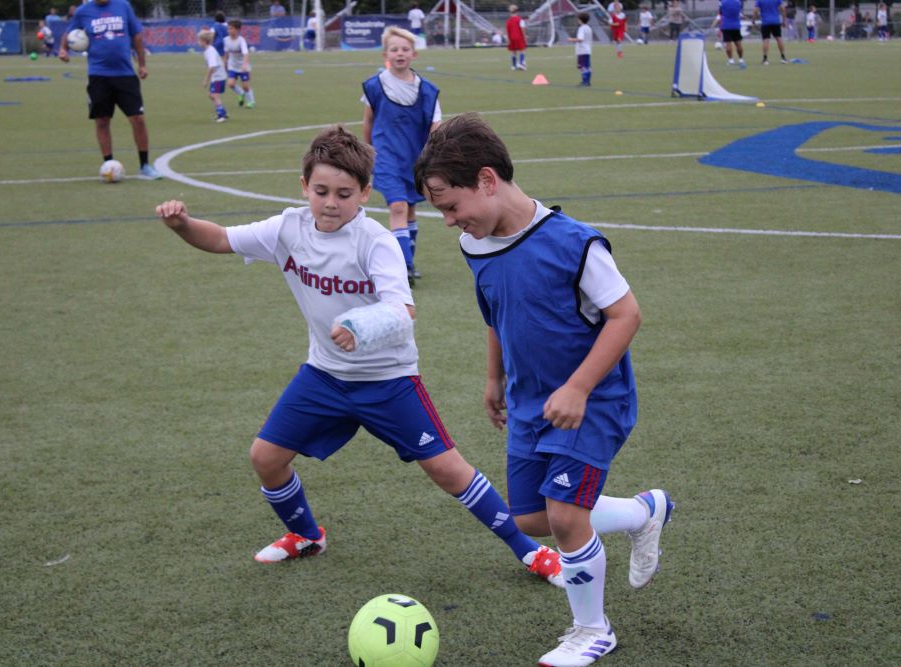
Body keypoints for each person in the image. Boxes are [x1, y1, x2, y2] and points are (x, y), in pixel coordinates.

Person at [153, 125, 565, 590]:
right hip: (324, 377)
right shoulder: (287, 228)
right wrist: (182, 225)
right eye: (322, 191)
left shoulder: (375, 241)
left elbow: (403, 309)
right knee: (266, 458)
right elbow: (221, 239)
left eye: (345, 194)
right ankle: (307, 535)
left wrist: (358, 327)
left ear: (365, 193)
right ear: (304, 186)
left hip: (389, 380)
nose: (331, 203)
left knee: (448, 470)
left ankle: (531, 549)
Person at [413, 113, 673, 667]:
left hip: (592, 400)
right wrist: (494, 377)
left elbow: (626, 315)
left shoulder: (574, 243)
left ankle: (592, 630)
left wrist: (579, 388)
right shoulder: (475, 245)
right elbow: (495, 312)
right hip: (532, 401)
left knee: (565, 517)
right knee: (532, 518)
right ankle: (643, 512)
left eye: (451, 206)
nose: (449, 221)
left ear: (487, 180)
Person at [361, 26, 439, 285]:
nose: (400, 53)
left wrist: (435, 158)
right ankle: (402, 266)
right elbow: (368, 122)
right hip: (386, 158)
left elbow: (435, 128)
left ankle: (409, 261)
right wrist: (366, 152)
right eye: (394, 49)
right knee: (397, 206)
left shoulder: (427, 91)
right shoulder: (375, 86)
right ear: (386, 54)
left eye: (405, 49)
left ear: (414, 54)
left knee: (411, 209)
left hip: (416, 160)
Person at [59, 0, 162, 179]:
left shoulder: (123, 6)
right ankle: (108, 164)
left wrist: (142, 64)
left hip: (125, 74)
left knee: (138, 119)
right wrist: (62, 50)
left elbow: (136, 35)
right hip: (98, 75)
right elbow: (68, 34)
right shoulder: (84, 11)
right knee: (102, 121)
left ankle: (145, 165)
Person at [197, 29, 229, 123]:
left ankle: (222, 115)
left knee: (214, 95)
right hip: (216, 77)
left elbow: (212, 67)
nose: (198, 42)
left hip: (219, 77)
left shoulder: (210, 51)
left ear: (204, 41)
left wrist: (206, 80)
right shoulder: (208, 50)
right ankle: (222, 113)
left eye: (199, 40)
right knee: (212, 95)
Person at [223, 19, 255, 109]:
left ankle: (251, 102)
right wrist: (225, 63)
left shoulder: (241, 40)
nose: (229, 30)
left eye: (231, 29)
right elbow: (226, 53)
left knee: (245, 86)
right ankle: (240, 93)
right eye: (228, 29)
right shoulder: (225, 40)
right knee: (231, 84)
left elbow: (246, 53)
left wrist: (244, 64)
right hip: (232, 66)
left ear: (237, 30)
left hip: (242, 66)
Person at [713, 0, 746, 66]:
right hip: (736, 26)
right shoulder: (738, 2)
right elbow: (739, 12)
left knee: (728, 44)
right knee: (738, 43)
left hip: (726, 26)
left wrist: (713, 24)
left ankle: (731, 60)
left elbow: (720, 13)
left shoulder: (722, 3)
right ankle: (741, 59)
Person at [567, 12, 593, 87]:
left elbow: (580, 39)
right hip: (587, 50)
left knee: (583, 67)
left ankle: (585, 82)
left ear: (580, 20)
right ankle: (587, 81)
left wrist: (571, 39)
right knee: (586, 66)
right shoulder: (588, 28)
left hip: (582, 50)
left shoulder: (581, 28)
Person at [505, 4, 527, 70]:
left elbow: (507, 30)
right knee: (522, 51)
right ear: (517, 11)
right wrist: (524, 36)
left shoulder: (508, 20)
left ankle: (513, 66)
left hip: (511, 38)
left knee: (513, 52)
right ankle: (520, 63)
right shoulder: (520, 19)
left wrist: (508, 39)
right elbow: (522, 28)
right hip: (519, 37)